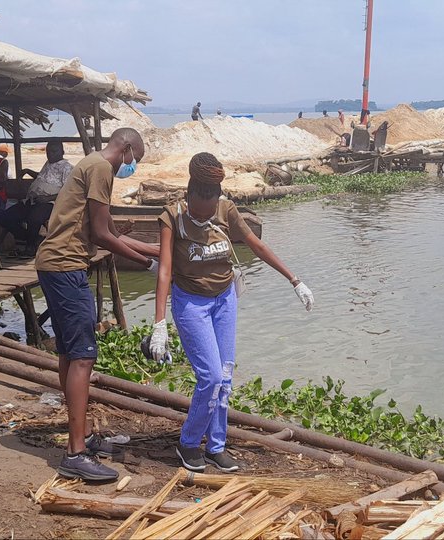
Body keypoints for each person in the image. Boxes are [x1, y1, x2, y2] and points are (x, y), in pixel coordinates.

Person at [149, 153, 313, 473]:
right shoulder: (173, 217)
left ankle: (216, 446)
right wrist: (159, 324)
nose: (206, 216)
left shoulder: (226, 210)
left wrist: (295, 281)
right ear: (191, 194)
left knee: (225, 377)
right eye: (200, 210)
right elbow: (165, 271)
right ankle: (188, 442)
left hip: (225, 299)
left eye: (211, 210)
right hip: (192, 303)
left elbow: (257, 246)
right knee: (209, 377)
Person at [35, 127, 160, 481]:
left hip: (55, 263)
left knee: (69, 353)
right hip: (66, 265)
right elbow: (104, 236)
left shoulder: (89, 163)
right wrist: (149, 264)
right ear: (126, 148)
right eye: (134, 158)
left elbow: (102, 230)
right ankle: (75, 453)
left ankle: (85, 435)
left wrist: (155, 251)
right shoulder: (103, 169)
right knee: (84, 356)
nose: (131, 166)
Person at [0, 141, 72, 256]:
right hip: (33, 199)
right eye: (48, 152)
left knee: (34, 218)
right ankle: (35, 239)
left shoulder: (66, 168)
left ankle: (30, 247)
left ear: (62, 152)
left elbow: (68, 191)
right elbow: (42, 177)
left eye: (54, 151)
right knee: (5, 217)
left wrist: (47, 198)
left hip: (50, 202)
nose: (50, 155)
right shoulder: (48, 163)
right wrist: (28, 171)